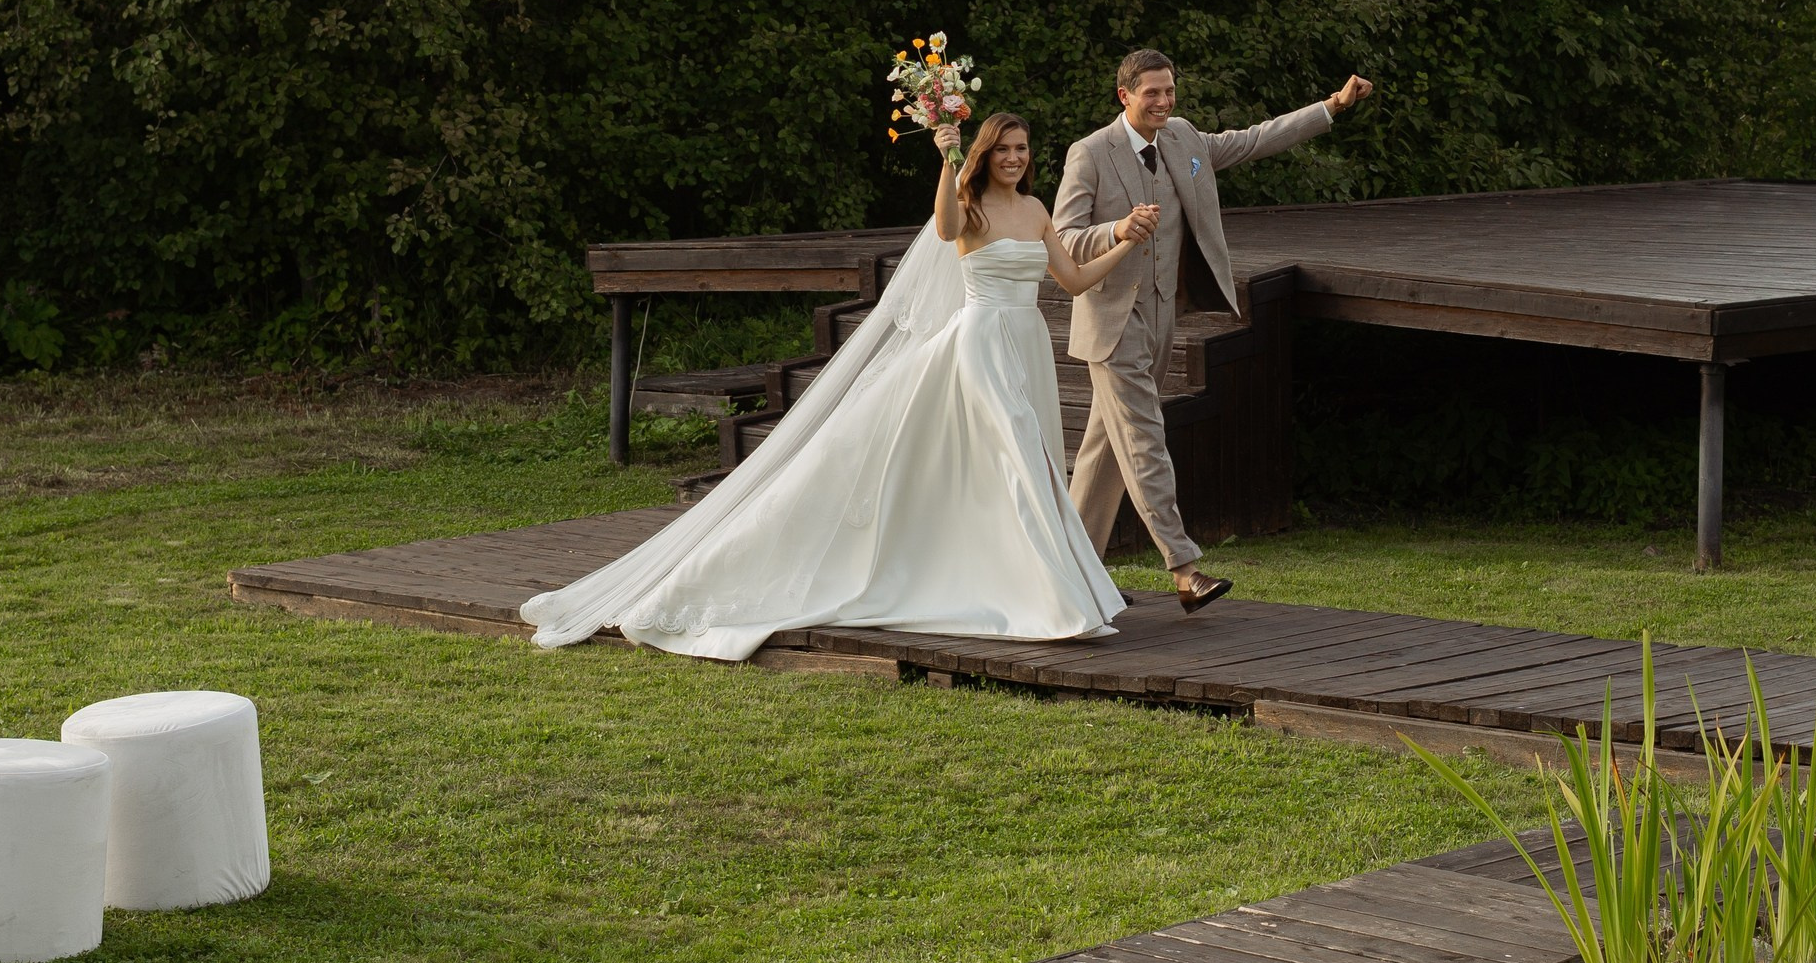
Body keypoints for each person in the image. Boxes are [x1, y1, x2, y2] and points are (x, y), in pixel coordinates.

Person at [525, 112, 1159, 660]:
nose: (1015, 160)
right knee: (1017, 457)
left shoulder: (1035, 209)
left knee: (1022, 464)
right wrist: (945, 158)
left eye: (1022, 150)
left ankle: (1026, 587)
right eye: (1004, 150)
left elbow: (1073, 280)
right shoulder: (967, 208)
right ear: (984, 156)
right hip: (980, 344)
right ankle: (1051, 601)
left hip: (1027, 346)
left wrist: (1124, 241)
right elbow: (941, 230)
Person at [1054, 49, 1374, 609]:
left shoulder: (1183, 139)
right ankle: (1185, 569)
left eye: (1169, 90)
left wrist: (1331, 107)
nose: (1164, 101)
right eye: (1151, 92)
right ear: (1123, 95)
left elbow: (1253, 140)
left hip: (1161, 317)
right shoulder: (1091, 154)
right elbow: (1062, 238)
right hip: (1110, 324)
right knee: (1146, 439)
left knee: (1107, 451)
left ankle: (1066, 573)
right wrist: (1118, 229)